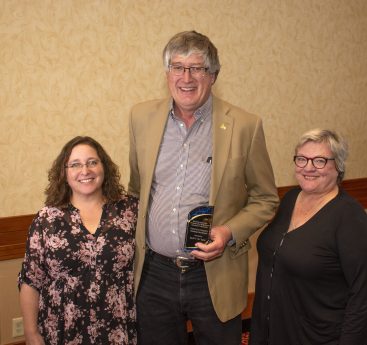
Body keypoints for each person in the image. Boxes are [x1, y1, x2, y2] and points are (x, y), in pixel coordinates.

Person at [128, 30, 279, 345]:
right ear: (167, 73)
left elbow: (265, 199)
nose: (187, 77)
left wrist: (228, 232)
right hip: (155, 274)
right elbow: (136, 191)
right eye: (178, 67)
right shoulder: (141, 117)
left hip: (213, 273)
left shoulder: (244, 126)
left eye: (197, 68)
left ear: (213, 75)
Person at [250, 129, 367, 345]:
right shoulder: (290, 199)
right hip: (283, 327)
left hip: (325, 335)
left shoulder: (350, 218)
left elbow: (362, 298)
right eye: (302, 159)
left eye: (320, 161)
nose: (308, 167)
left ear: (339, 166)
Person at [18, 136, 138, 345]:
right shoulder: (47, 219)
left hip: (119, 328)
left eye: (92, 162)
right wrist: (31, 333)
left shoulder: (129, 211)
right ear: (64, 173)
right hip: (62, 330)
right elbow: (31, 280)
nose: (85, 170)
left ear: (104, 167)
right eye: (75, 164)